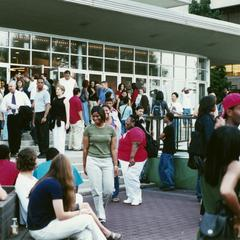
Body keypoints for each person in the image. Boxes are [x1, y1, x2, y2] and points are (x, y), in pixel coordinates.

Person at [28, 154, 121, 240]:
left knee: (85, 234)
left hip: (46, 224)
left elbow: (60, 210)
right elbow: (61, 215)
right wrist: (80, 212)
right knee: (87, 218)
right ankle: (105, 233)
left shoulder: (51, 180)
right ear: (66, 169)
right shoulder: (53, 185)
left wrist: (80, 209)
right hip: (42, 230)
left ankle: (106, 233)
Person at [199, 126, 240, 239]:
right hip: (228, 226)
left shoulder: (207, 164)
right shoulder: (234, 166)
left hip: (208, 225)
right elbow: (226, 191)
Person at [83, 106, 118, 223]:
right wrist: (84, 164)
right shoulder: (88, 129)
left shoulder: (111, 130)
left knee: (109, 190)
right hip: (92, 160)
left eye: (97, 116)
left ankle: (100, 208)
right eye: (93, 116)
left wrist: (115, 165)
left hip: (107, 160)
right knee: (96, 190)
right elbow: (85, 149)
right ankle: (100, 214)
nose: (95, 118)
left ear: (103, 115)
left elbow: (113, 149)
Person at [118, 115, 147, 206]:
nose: (126, 122)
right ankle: (130, 196)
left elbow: (136, 144)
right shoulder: (129, 131)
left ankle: (137, 197)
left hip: (136, 159)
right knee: (127, 178)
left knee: (132, 177)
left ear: (133, 122)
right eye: (126, 120)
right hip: (125, 159)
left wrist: (131, 157)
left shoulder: (136, 131)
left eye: (128, 121)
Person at [0, 81, 31, 156]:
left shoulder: (22, 94)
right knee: (11, 134)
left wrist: (17, 107)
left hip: (19, 116)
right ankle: (12, 150)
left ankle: (16, 150)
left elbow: (28, 105)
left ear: (15, 86)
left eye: (11, 86)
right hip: (10, 116)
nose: (10, 88)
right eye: (9, 86)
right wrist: (6, 109)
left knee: (17, 134)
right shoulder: (6, 96)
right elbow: (1, 108)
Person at [194, 95, 216, 202]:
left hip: (199, 150)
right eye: (214, 104)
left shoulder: (201, 117)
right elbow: (209, 137)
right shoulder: (207, 119)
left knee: (200, 173)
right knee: (203, 174)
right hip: (205, 151)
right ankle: (201, 195)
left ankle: (199, 193)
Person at [15, 148, 38, 225]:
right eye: (36, 158)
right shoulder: (22, 181)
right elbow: (28, 207)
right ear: (31, 161)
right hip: (34, 221)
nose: (37, 160)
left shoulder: (32, 179)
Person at [33, 77, 51, 158]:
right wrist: (33, 120)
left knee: (44, 134)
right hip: (37, 114)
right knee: (39, 134)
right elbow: (34, 107)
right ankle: (41, 151)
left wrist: (45, 116)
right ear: (36, 84)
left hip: (43, 114)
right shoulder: (36, 93)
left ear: (43, 84)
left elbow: (48, 105)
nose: (40, 84)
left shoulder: (46, 93)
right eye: (38, 82)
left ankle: (45, 152)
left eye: (41, 82)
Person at [50, 85, 70, 154]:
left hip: (62, 122)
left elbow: (67, 112)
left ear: (62, 91)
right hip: (55, 121)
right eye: (56, 89)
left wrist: (67, 123)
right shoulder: (54, 99)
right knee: (55, 139)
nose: (57, 91)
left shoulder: (65, 100)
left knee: (61, 139)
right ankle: (55, 154)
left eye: (58, 89)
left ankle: (61, 154)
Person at [159, 112, 176, 190]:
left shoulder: (168, 127)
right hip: (168, 150)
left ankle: (169, 184)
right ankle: (167, 183)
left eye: (165, 117)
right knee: (164, 167)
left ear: (168, 118)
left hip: (167, 150)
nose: (164, 118)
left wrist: (162, 138)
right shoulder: (171, 127)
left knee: (166, 168)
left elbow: (160, 136)